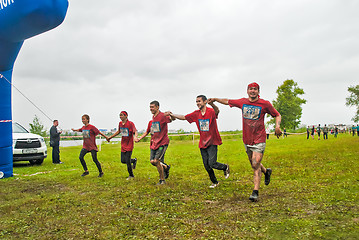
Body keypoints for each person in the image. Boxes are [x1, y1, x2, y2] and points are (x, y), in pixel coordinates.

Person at [209, 82, 281, 202]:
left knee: (255, 163)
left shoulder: (265, 104)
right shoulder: (243, 102)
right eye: (250, 89)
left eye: (255, 89)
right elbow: (228, 101)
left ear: (258, 91)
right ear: (247, 91)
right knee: (253, 163)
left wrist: (277, 126)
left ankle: (255, 192)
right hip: (247, 139)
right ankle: (266, 172)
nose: (253, 91)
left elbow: (277, 114)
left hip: (259, 139)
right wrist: (215, 99)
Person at [168, 95, 230, 188]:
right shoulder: (196, 114)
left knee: (212, 163)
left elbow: (217, 111)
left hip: (212, 141)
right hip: (203, 143)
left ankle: (225, 167)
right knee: (206, 165)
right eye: (196, 101)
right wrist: (173, 114)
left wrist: (212, 104)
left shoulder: (211, 111)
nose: (197, 103)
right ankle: (215, 182)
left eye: (199, 101)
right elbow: (184, 117)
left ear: (205, 102)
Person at [136, 101, 171, 185]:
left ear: (157, 107)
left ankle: (162, 180)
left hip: (162, 143)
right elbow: (146, 132)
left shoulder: (163, 116)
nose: (151, 109)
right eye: (150, 107)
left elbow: (171, 119)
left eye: (152, 107)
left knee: (156, 161)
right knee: (152, 161)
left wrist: (171, 115)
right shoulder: (151, 121)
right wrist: (139, 138)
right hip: (154, 144)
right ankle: (166, 167)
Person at [108, 111, 138, 180]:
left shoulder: (130, 123)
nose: (120, 117)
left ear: (126, 116)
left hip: (129, 144)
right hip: (123, 144)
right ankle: (133, 160)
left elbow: (135, 131)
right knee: (123, 160)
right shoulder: (120, 123)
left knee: (127, 161)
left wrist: (135, 137)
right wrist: (110, 137)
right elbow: (118, 131)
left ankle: (131, 175)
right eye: (120, 115)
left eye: (122, 115)